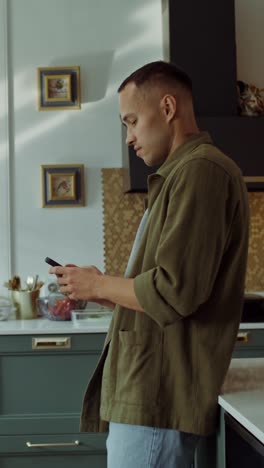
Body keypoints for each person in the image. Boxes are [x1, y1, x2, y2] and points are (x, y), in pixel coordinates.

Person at [49, 60, 249, 468]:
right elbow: (161, 293)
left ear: (169, 108)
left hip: (159, 394)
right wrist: (97, 287)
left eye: (132, 121)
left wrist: (100, 286)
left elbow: (173, 292)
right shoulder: (179, 175)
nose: (129, 138)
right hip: (149, 391)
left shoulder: (200, 171)